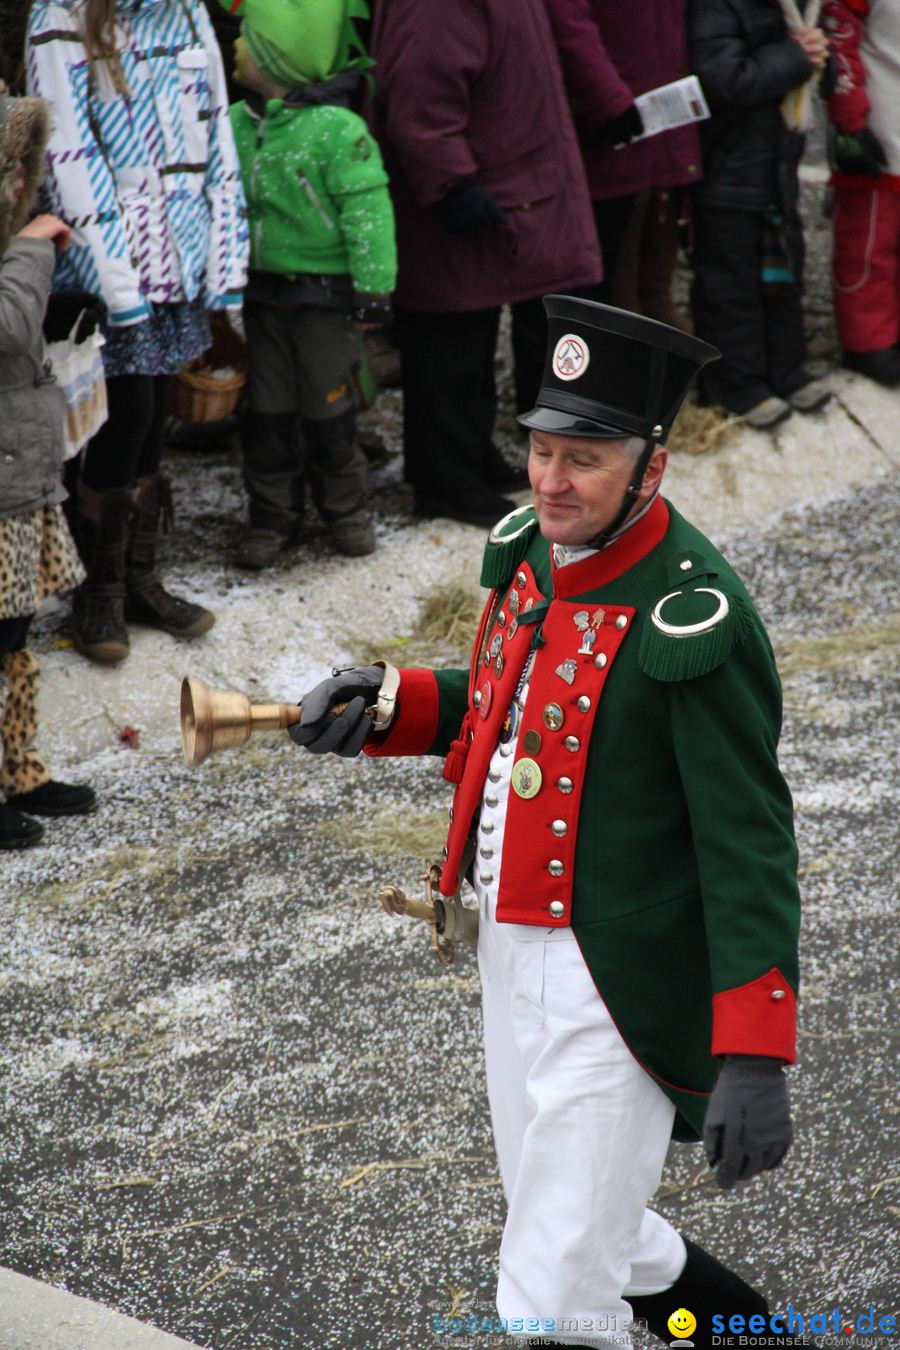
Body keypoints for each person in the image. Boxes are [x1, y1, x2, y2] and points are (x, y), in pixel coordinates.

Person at [287, 297, 813, 1347]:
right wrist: (395, 705)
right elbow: (515, 702)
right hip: (504, 944)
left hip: (615, 979)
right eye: (539, 448)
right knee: (589, 1237)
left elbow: (749, 841)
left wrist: (755, 1044)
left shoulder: (694, 612)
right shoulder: (531, 547)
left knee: (547, 1296)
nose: (550, 479)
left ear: (650, 467)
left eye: (584, 458)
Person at [26, 0, 248, 663]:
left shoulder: (183, 11)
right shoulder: (60, 15)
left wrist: (222, 255)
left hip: (177, 256)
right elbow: (70, 155)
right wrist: (118, 282)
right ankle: (98, 590)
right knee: (125, 414)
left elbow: (217, 133)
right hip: (106, 262)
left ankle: (139, 579)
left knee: (156, 418)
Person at [366, 0, 602, 529]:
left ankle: (469, 459)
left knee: (472, 334)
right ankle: (444, 480)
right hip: (461, 190)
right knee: (447, 338)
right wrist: (450, 181)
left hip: (496, 180)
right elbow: (421, 96)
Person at [227, 0, 396, 569]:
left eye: (247, 38)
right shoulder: (236, 124)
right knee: (267, 410)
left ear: (277, 54)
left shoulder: (337, 130)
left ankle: (346, 509)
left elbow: (368, 213)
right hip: (262, 294)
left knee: (330, 408)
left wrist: (374, 288)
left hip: (324, 299)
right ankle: (272, 514)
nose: (235, 45)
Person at [0, 87, 95, 849]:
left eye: (19, 173)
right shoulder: (16, 244)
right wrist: (33, 250)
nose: (16, 190)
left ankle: (19, 768)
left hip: (19, 479)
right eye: (4, 175)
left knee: (16, 636)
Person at [688, 0, 832, 428]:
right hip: (728, 172)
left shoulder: (793, 9)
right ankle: (738, 385)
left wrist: (819, 54)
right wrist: (796, 55)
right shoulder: (716, 7)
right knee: (731, 285)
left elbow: (812, 70)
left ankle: (787, 372)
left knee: (784, 274)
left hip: (777, 167)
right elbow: (723, 79)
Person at [542, 0, 700, 333]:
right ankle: (624, 355)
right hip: (614, 118)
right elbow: (568, 21)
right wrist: (605, 98)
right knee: (614, 277)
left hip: (662, 110)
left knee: (654, 265)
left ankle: (653, 344)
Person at [823, 0, 900, 388]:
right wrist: (851, 119)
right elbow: (839, 37)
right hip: (879, 132)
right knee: (867, 247)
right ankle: (868, 342)